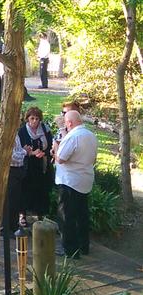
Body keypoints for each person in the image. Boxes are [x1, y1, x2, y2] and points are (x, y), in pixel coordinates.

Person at [54, 111, 97, 258]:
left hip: (70, 182)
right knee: (82, 215)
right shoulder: (91, 135)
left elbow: (61, 158)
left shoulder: (73, 137)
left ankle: (70, 250)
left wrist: (55, 149)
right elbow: (94, 159)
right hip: (85, 180)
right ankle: (84, 246)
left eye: (66, 123)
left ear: (70, 123)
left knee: (67, 216)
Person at [18, 106, 53, 224]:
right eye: (32, 118)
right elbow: (20, 148)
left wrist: (44, 153)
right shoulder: (22, 131)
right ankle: (22, 214)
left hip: (41, 163)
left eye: (37, 119)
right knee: (25, 189)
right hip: (27, 164)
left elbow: (51, 145)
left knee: (41, 189)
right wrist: (31, 152)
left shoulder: (45, 130)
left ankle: (40, 214)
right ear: (27, 119)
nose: (34, 121)